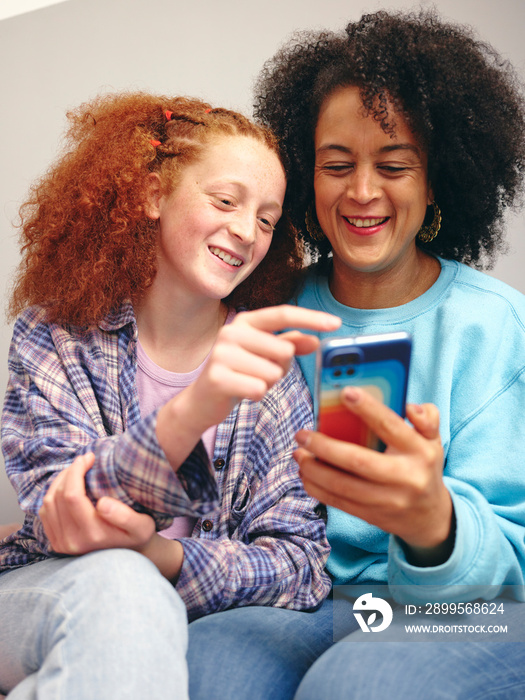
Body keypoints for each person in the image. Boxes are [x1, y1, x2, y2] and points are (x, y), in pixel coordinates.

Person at [186, 9, 525, 699]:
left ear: (437, 181)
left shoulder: (492, 324)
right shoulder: (265, 310)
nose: (362, 192)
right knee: (204, 667)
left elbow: (509, 573)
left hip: (464, 613)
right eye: (336, 165)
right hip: (303, 597)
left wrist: (434, 522)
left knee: (354, 685)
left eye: (394, 165)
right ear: (303, 179)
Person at [0, 91, 342, 699]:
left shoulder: (269, 369)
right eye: (225, 200)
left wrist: (164, 556)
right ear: (153, 195)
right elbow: (68, 514)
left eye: (266, 219)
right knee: (125, 585)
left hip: (173, 633)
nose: (245, 231)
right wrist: (198, 406)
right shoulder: (55, 335)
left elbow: (299, 565)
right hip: (48, 594)